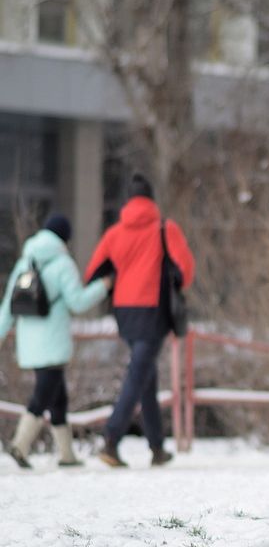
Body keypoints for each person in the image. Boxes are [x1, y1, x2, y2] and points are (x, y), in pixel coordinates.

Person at [85, 174, 195, 468]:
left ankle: (157, 447)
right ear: (151, 200)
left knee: (145, 374)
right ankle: (111, 439)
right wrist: (174, 282)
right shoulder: (164, 228)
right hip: (152, 309)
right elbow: (186, 268)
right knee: (139, 373)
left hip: (124, 311)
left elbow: (93, 272)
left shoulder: (115, 233)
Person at [0, 215, 112, 469]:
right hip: (52, 342)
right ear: (64, 239)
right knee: (43, 395)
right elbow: (78, 303)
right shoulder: (63, 264)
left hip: (28, 343)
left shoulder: (25, 262)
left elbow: (8, 306)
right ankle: (20, 444)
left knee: (58, 397)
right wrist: (103, 287)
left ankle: (67, 455)